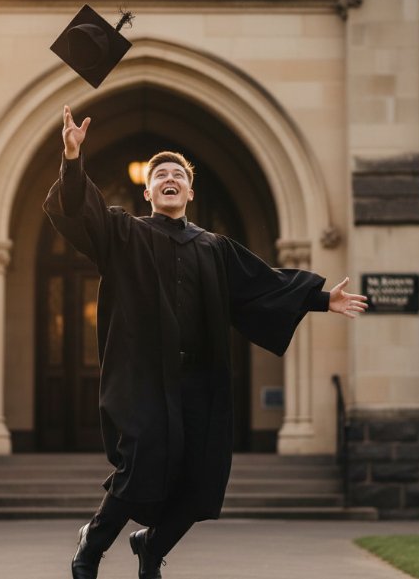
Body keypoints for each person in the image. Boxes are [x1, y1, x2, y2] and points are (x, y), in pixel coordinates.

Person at [44, 105, 367, 579]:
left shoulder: (214, 248)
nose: (169, 178)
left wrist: (320, 299)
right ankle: (93, 542)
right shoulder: (124, 234)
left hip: (199, 381)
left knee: (203, 483)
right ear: (148, 189)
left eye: (178, 174)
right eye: (161, 175)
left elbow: (263, 285)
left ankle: (150, 547)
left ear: (190, 191)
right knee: (140, 465)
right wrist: (72, 159)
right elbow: (80, 211)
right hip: (143, 380)